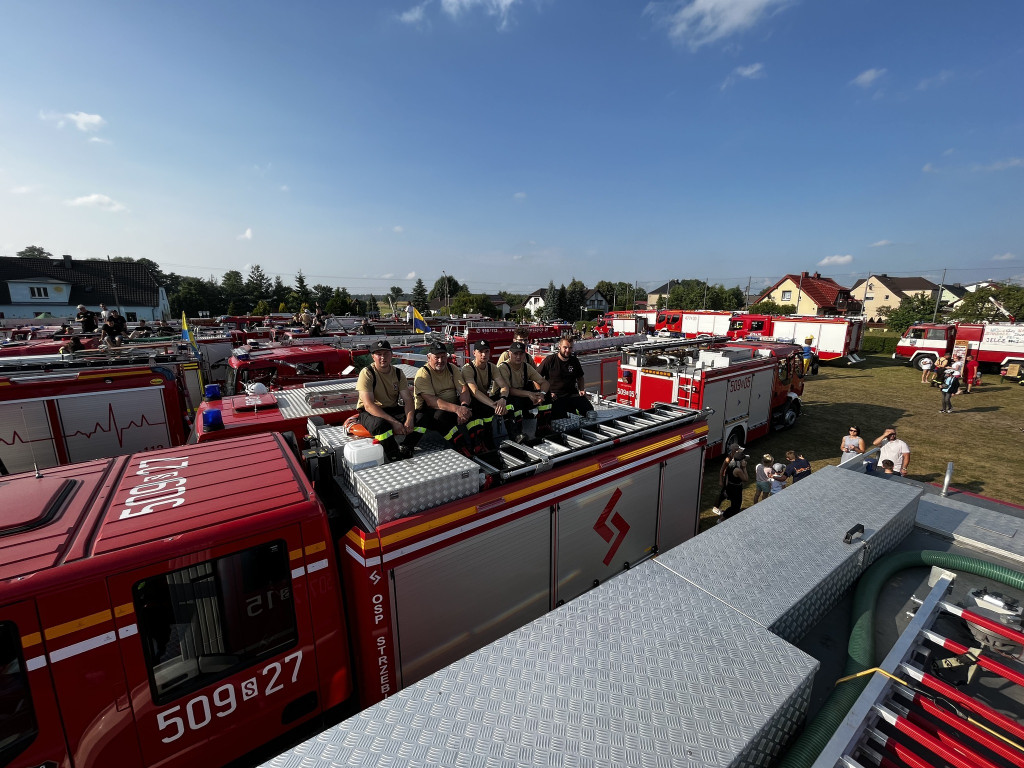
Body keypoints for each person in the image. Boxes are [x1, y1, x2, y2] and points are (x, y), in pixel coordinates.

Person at [414, 340, 485, 457]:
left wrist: (464, 406)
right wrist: (457, 410)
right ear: (428, 357)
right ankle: (460, 445)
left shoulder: (452, 368)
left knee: (476, 404)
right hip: (433, 410)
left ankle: (478, 442)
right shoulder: (423, 373)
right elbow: (431, 401)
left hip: (454, 407)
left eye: (443, 357)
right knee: (440, 416)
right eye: (437, 357)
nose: (441, 361)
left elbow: (463, 389)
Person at [357, 339, 421, 460]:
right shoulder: (367, 373)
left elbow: (408, 399)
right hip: (371, 412)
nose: (383, 357)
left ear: (391, 355)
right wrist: (394, 422)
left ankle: (407, 446)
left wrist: (409, 419)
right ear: (373, 357)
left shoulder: (398, 373)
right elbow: (368, 405)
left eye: (386, 354)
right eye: (379, 354)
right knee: (381, 425)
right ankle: (393, 454)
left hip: (391, 409)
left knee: (422, 417)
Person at [462, 340, 520, 447]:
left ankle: (515, 435)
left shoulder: (492, 367)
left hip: (485, 401)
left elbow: (504, 386)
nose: (484, 354)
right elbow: (474, 391)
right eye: (480, 352)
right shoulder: (467, 369)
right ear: (474, 353)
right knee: (480, 412)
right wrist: (493, 404)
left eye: (487, 351)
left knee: (510, 400)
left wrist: (503, 399)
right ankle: (480, 444)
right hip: (472, 402)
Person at [498, 341, 552, 439]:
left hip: (521, 394)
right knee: (512, 402)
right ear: (509, 354)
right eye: (515, 354)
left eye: (521, 353)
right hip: (503, 397)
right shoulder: (503, 367)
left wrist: (542, 394)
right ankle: (515, 434)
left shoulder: (526, 366)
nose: (518, 357)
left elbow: (545, 382)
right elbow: (508, 390)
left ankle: (542, 427)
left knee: (547, 395)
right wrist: (529, 394)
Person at [539, 336, 594, 420]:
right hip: (555, 397)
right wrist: (545, 393)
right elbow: (536, 378)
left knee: (590, 411)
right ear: (559, 346)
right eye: (565, 347)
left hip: (572, 395)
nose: (568, 350)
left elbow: (580, 377)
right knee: (561, 417)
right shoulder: (550, 360)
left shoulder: (574, 360)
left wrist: (582, 390)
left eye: (570, 348)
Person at [713, 446, 748, 519]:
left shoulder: (732, 463)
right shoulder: (737, 469)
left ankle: (723, 515)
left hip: (730, 485)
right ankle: (723, 516)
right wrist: (744, 468)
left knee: (734, 503)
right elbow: (746, 479)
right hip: (734, 488)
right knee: (735, 506)